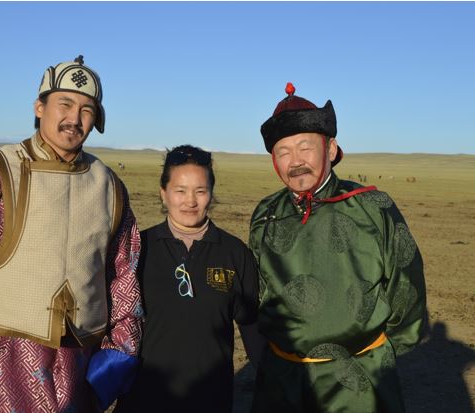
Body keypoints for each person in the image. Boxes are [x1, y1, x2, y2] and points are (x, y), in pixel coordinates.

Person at [0, 56, 143, 412]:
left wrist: (119, 351)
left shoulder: (109, 186)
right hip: (2, 364)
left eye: (87, 110)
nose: (74, 118)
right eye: (65, 104)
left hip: (79, 365)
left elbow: (124, 275)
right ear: (39, 107)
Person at [249, 83, 427, 413]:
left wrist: (380, 355)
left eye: (305, 147)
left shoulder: (372, 206)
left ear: (330, 149)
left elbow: (406, 284)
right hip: (283, 378)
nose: (295, 161)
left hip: (359, 377)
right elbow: (258, 290)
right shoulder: (265, 213)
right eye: (283, 152)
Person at [114, 145, 260, 413]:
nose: (190, 201)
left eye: (200, 191)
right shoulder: (139, 249)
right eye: (180, 191)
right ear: (164, 193)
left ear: (211, 193)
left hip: (210, 398)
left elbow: (251, 325)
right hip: (144, 396)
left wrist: (271, 379)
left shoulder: (234, 253)